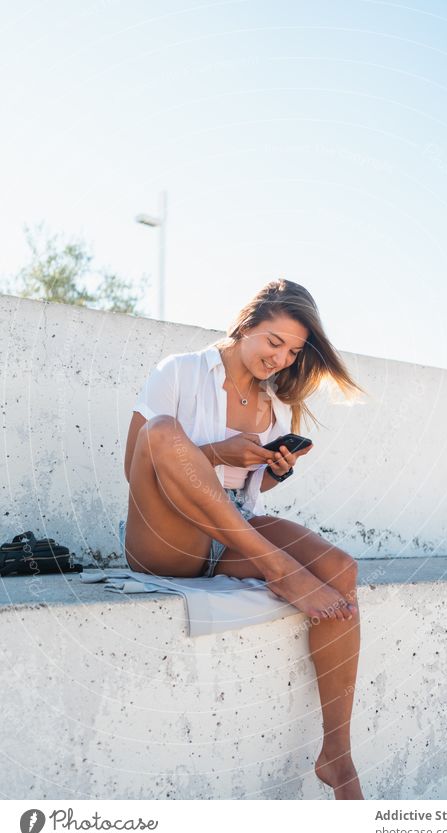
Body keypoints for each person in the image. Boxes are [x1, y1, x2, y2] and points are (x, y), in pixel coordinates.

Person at [123, 278, 368, 799]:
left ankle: (338, 756)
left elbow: (252, 494)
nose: (281, 358)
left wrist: (274, 469)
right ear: (246, 325)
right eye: (273, 342)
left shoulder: (277, 407)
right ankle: (282, 572)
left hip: (235, 528)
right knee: (163, 429)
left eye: (294, 351)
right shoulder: (181, 371)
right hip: (165, 532)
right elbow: (137, 463)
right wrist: (214, 453)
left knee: (341, 570)